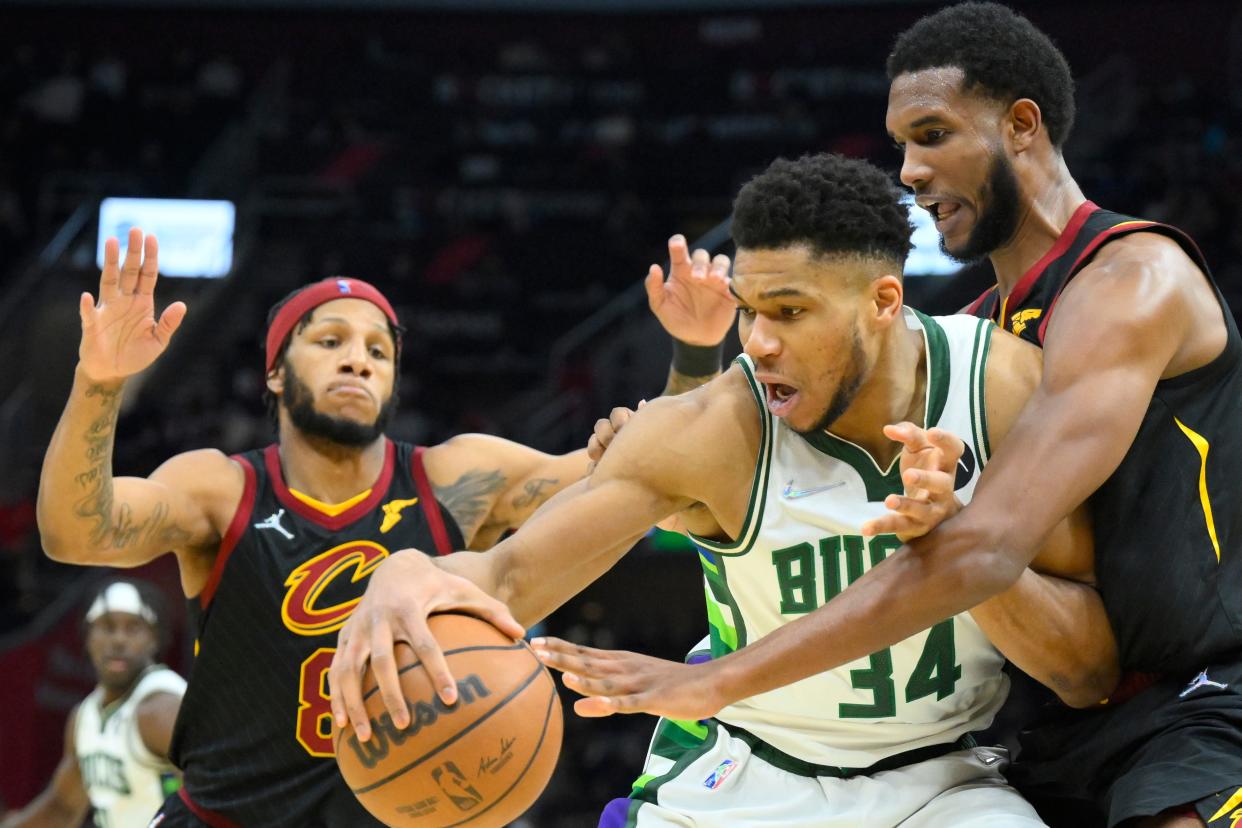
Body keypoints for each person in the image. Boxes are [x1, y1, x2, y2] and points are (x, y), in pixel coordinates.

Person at [561, 5, 1242, 826]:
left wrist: (716, 680)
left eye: (933, 134)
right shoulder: (981, 336)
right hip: (1067, 703)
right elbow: (714, 464)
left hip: (1203, 692)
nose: (911, 171)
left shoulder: (1131, 282)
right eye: (902, 146)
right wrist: (660, 418)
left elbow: (983, 549)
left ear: (1022, 125)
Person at [331, 152, 1118, 826]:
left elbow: (1088, 670)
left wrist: (967, 548)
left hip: (942, 784)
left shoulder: (1004, 391)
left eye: (790, 311)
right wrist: (405, 572)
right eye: (748, 310)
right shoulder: (711, 430)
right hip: (744, 776)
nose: (760, 342)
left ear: (883, 303)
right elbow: (506, 577)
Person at [34, 239, 640, 827]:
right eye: (331, 341)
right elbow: (75, 534)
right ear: (274, 374)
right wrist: (98, 383)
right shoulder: (221, 489)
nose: (358, 359)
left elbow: (639, 486)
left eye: (380, 352)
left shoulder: (457, 477)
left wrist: (690, 361)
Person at [1, 579, 185, 828]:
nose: (119, 640)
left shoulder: (162, 709)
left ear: (154, 639)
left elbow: (219, 793)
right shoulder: (85, 717)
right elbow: (62, 808)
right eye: (107, 627)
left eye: (133, 628)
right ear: (87, 637)